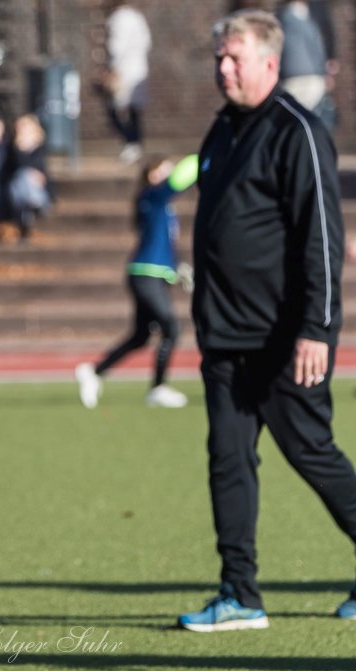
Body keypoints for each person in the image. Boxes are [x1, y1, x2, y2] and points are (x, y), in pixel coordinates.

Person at [180, 9, 356, 631]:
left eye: (235, 58)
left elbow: (322, 240)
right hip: (225, 338)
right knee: (227, 460)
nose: (224, 69)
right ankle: (239, 594)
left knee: (312, 453)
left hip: (283, 340)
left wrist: (318, 328)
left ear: (270, 64)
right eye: (220, 59)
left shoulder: (297, 131)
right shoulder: (223, 130)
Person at [76, 153, 199, 410]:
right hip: (145, 275)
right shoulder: (152, 196)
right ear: (153, 175)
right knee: (171, 328)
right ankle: (158, 388)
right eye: (164, 170)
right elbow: (182, 177)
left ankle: (94, 371)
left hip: (156, 275)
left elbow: (164, 244)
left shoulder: (163, 206)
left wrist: (178, 268)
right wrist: (206, 157)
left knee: (141, 335)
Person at [104, 1, 151, 163]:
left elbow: (116, 47)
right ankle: (134, 142)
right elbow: (147, 41)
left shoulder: (118, 19)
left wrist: (112, 68)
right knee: (134, 109)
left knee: (114, 108)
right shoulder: (137, 17)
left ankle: (131, 142)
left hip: (122, 71)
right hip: (139, 69)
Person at [0, 113, 50, 241]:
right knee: (22, 176)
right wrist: (20, 148)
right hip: (16, 189)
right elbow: (17, 167)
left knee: (25, 178)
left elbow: (41, 172)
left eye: (26, 125)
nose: (23, 129)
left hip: (34, 189)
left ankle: (28, 214)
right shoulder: (11, 147)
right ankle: (32, 203)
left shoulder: (41, 147)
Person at [277, 1, 329, 114]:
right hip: (311, 77)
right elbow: (316, 47)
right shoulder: (305, 20)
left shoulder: (281, 19)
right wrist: (324, 72)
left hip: (289, 77)